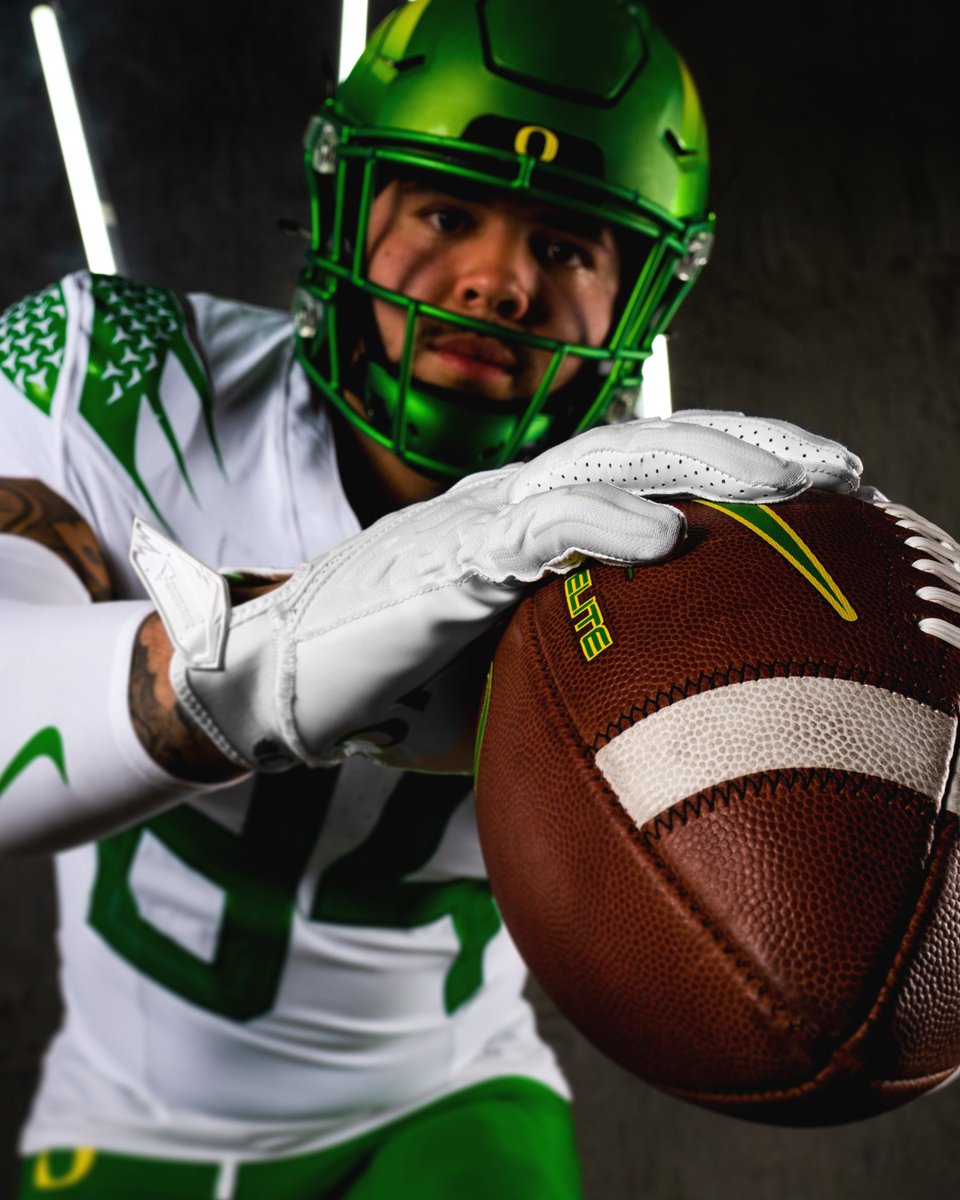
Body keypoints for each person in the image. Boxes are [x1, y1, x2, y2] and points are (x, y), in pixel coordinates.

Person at [0, 0, 861, 1196]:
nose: (499, 281)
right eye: (450, 210)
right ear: (347, 200)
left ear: (643, 295)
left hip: (452, 1108)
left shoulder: (665, 556)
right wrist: (255, 659)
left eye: (567, 246)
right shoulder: (118, 377)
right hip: (128, 1117)